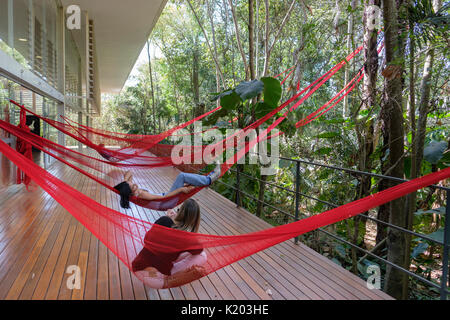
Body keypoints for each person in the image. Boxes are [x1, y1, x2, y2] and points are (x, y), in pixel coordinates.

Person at [132, 199, 207, 288]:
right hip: (158, 280)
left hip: (138, 267)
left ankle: (169, 271)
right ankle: (171, 278)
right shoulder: (187, 238)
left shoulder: (164, 220)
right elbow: (199, 250)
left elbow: (146, 239)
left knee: (171, 250)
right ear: (195, 220)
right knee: (202, 255)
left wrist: (170, 220)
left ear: (179, 212)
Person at [114, 161, 221, 208]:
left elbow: (130, 172)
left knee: (189, 181)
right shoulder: (141, 194)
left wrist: (125, 181)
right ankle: (209, 180)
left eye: (132, 183)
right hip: (167, 200)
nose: (135, 184)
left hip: (166, 199)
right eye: (133, 186)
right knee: (182, 176)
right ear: (131, 191)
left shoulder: (133, 191)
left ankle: (208, 178)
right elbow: (163, 198)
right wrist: (180, 190)